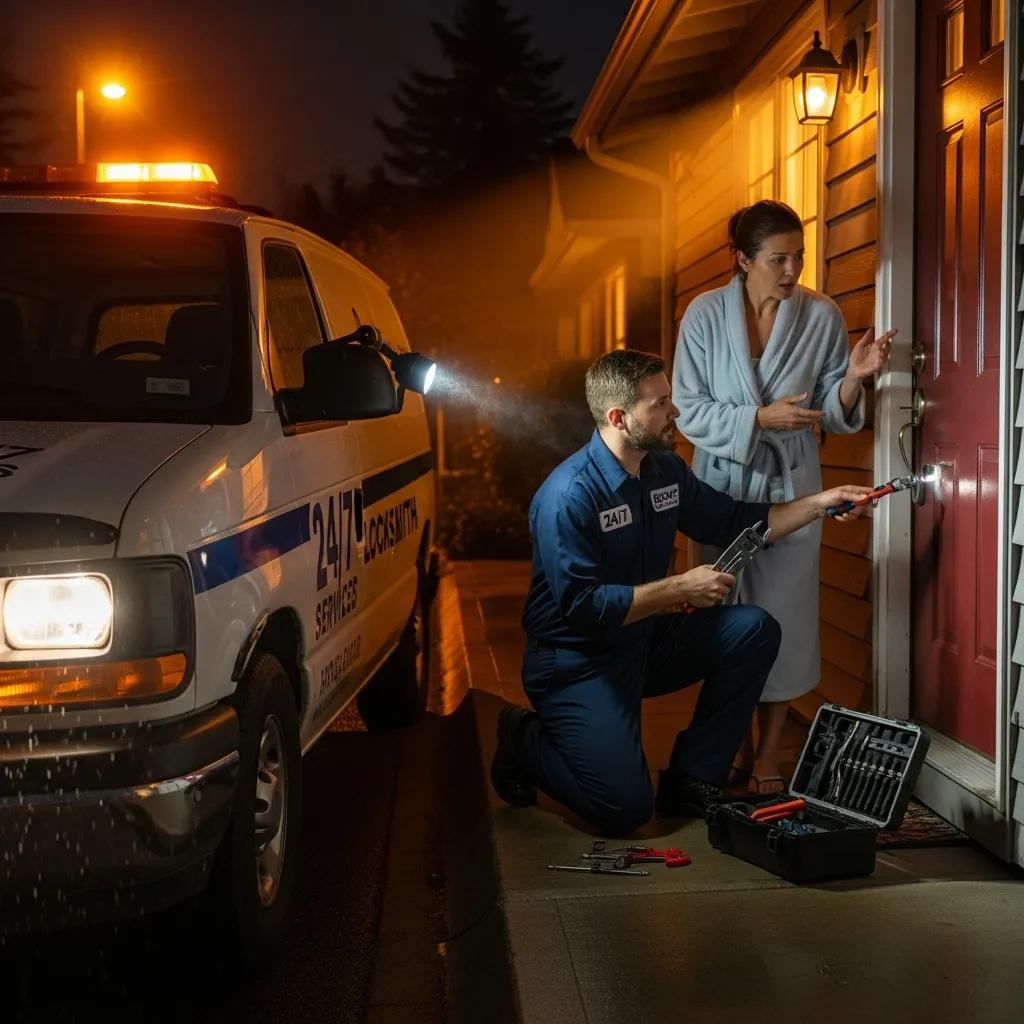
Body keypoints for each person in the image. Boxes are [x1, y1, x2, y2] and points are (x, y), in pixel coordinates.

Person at [490, 348, 870, 835]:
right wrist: (679, 588)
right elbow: (582, 609)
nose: (676, 412)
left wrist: (821, 503)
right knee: (622, 809)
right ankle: (520, 736)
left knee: (752, 629)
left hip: (642, 642)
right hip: (577, 660)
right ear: (618, 417)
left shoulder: (663, 472)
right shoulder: (569, 496)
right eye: (661, 402)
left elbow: (737, 522)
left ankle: (693, 777)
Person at [672, 200, 894, 795]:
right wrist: (758, 418)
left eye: (798, 256)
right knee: (724, 623)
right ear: (743, 260)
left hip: (792, 488)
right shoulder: (702, 315)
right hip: (720, 489)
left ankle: (768, 757)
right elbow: (688, 411)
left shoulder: (820, 314)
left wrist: (854, 377)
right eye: (778, 258)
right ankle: (735, 750)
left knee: (785, 625)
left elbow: (835, 411)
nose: (792, 269)